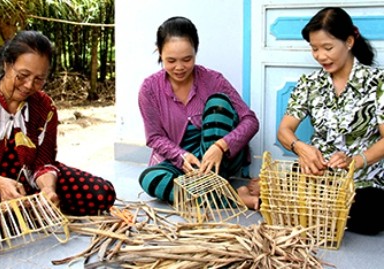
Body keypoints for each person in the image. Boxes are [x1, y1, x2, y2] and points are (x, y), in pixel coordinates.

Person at [0, 30, 116, 217]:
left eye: (39, 79)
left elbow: (44, 161)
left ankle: (32, 209)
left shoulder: (44, 106)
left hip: (31, 181)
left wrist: (48, 189)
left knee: (102, 194)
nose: (29, 85)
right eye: (22, 75)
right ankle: (28, 211)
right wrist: (1, 183)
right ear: (7, 65)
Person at [277, 7, 384, 235]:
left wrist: (355, 161)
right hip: (319, 176)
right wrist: (301, 148)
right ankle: (322, 213)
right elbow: (284, 130)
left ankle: (314, 213)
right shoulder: (310, 83)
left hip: (362, 181)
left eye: (327, 48)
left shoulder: (378, 83)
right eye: (314, 49)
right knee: (284, 189)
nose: (320, 56)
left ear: (349, 41)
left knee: (371, 215)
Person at [138, 16, 260, 209]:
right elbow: (154, 137)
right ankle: (234, 198)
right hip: (185, 163)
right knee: (149, 179)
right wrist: (182, 157)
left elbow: (250, 121)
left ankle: (209, 186)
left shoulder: (213, 80)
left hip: (219, 160)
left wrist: (221, 146)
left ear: (196, 51)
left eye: (187, 59)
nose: (179, 67)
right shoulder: (149, 88)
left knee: (218, 103)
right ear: (159, 52)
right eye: (170, 60)